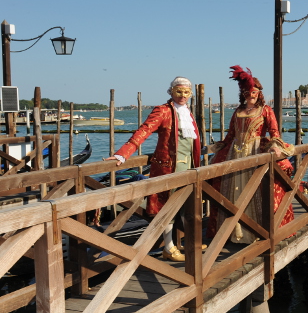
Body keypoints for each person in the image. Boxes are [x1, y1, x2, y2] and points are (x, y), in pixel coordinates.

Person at [105, 76, 201, 261]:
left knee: (185, 205)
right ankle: (169, 247)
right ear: (171, 92)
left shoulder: (188, 112)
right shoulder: (163, 111)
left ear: (191, 94)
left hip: (188, 166)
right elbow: (144, 131)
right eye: (178, 92)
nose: (182, 96)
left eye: (186, 92)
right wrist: (123, 153)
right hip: (168, 168)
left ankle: (186, 242)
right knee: (166, 207)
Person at [206, 65, 294, 243]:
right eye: (247, 92)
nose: (251, 95)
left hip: (256, 154)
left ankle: (256, 231)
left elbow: (274, 133)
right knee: (231, 192)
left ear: (259, 93)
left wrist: (274, 146)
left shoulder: (266, 111)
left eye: (253, 92)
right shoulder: (237, 112)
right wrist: (211, 149)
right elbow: (229, 136)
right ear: (242, 93)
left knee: (256, 191)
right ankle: (232, 232)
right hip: (235, 153)